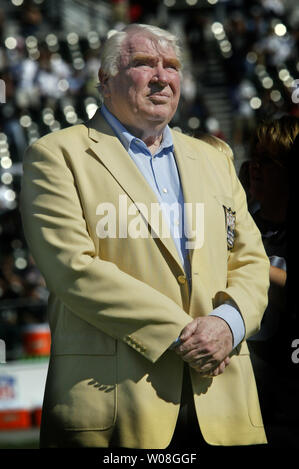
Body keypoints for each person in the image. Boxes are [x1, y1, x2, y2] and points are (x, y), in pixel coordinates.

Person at [20, 23, 269, 449]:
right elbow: (73, 269)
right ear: (105, 80)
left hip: (225, 403)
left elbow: (250, 261)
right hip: (118, 409)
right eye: (143, 63)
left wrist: (228, 325)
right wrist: (189, 335)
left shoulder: (215, 158)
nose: (161, 76)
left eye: (171, 66)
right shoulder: (56, 155)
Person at [246, 115, 299, 447]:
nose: (255, 167)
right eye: (254, 157)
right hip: (246, 406)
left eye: (267, 160)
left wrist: (253, 266)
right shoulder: (241, 227)